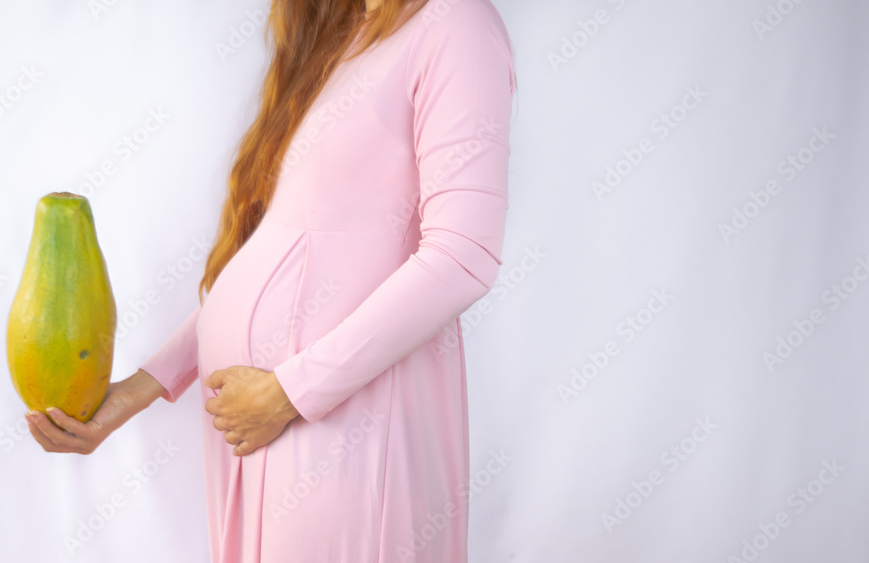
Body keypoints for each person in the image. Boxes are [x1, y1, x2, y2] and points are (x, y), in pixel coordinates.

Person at [26, 0, 516, 560]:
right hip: (257, 428)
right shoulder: (337, 36)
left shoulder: (455, 23)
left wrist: (289, 392)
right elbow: (277, 249)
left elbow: (464, 255)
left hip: (346, 428)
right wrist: (134, 394)